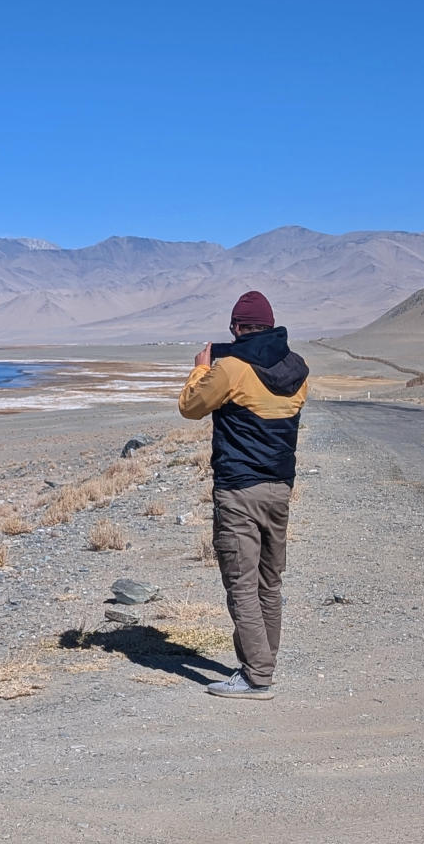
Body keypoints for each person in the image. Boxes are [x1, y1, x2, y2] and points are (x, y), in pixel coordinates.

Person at [178, 290, 308, 700]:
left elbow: (191, 406)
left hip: (239, 490)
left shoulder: (232, 368)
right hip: (280, 489)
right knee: (269, 581)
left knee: (241, 583)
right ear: (271, 326)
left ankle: (256, 678)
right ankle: (262, 664)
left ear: (236, 328)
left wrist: (201, 370)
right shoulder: (299, 369)